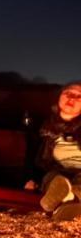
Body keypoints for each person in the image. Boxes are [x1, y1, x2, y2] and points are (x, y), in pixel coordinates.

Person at [27, 81, 81, 221]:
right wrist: (30, 179)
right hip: (58, 173)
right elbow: (33, 156)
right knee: (53, 178)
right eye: (68, 93)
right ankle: (69, 198)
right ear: (59, 97)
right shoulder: (44, 127)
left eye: (79, 96)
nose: (72, 98)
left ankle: (69, 197)